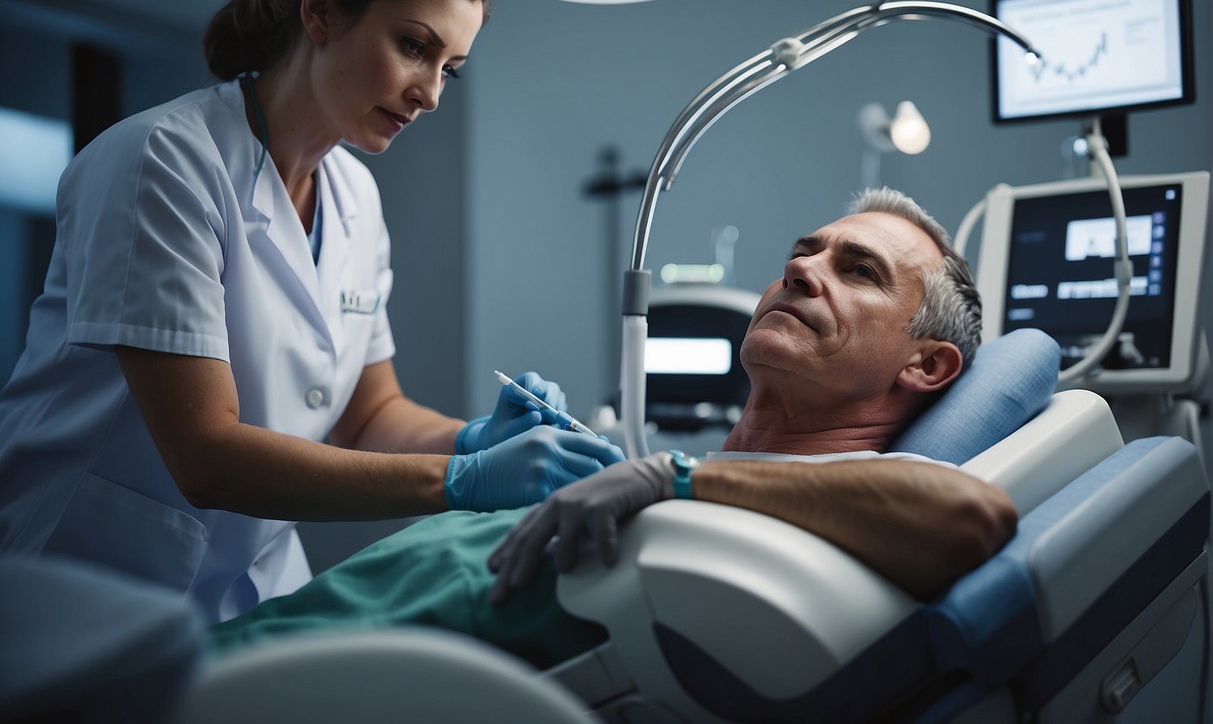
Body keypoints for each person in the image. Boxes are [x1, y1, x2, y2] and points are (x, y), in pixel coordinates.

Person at [0, 0, 622, 626]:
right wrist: (462, 479)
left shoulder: (353, 194)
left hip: (254, 585)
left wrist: (474, 437)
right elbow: (205, 456)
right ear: (321, 12)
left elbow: (369, 415)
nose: (428, 94)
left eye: (450, 69)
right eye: (414, 46)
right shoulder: (163, 161)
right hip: (89, 582)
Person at [207, 188, 1018, 668]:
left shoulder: (828, 502)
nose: (802, 268)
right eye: (805, 253)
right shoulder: (727, 490)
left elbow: (972, 516)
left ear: (926, 368)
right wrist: (470, 448)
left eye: (857, 270)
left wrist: (674, 477)